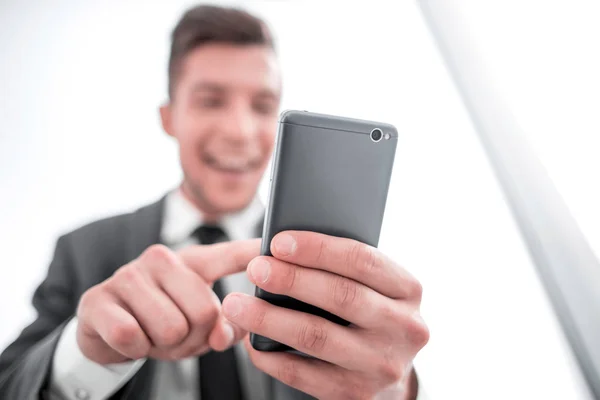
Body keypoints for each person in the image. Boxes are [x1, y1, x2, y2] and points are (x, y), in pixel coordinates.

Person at [0, 5, 429, 400]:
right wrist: (84, 353)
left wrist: (396, 389)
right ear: (169, 117)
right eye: (211, 101)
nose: (241, 130)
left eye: (263, 106)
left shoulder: (337, 261)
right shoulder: (84, 249)